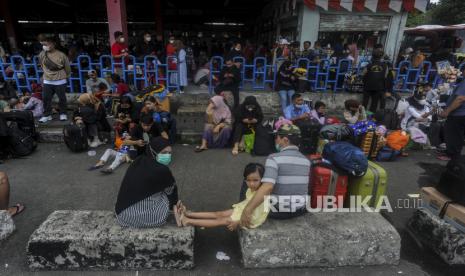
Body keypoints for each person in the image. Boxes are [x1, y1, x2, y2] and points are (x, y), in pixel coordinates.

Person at [240, 124, 310, 226]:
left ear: (285, 140)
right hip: (300, 209)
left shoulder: (274, 158)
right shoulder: (306, 161)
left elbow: (268, 187)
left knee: (250, 179)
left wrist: (248, 209)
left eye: (276, 137)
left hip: (278, 210)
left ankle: (242, 208)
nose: (275, 140)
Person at [174, 163, 268, 230]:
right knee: (218, 214)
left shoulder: (263, 195)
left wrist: (238, 222)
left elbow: (257, 216)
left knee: (220, 220)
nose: (251, 183)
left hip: (249, 219)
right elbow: (248, 202)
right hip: (243, 210)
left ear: (263, 179)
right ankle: (188, 214)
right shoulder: (251, 189)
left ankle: (187, 221)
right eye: (248, 180)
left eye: (255, 180)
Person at [115, 137, 178, 228]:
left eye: (169, 153)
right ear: (153, 151)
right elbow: (172, 193)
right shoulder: (162, 170)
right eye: (164, 153)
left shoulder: (138, 161)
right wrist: (174, 205)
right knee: (165, 193)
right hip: (147, 218)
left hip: (122, 215)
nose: (167, 156)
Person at [37, 36, 71, 123]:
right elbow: (41, 65)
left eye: (47, 44)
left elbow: (67, 67)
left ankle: (63, 113)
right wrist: (46, 74)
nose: (45, 46)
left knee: (62, 98)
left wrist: (65, 76)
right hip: (47, 80)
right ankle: (47, 115)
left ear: (53, 44)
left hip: (60, 80)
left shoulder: (61, 55)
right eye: (43, 44)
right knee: (46, 98)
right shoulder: (41, 54)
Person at [438, 70, 465, 161]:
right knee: (457, 134)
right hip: (461, 114)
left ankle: (452, 155)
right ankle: (452, 153)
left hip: (459, 114)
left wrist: (447, 111)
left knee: (454, 134)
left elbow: (460, 99)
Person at [362, 49, 392, 113]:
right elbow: (385, 77)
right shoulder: (385, 66)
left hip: (367, 86)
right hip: (378, 87)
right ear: (381, 57)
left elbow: (363, 74)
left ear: (372, 56)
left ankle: (362, 116)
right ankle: (371, 117)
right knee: (374, 104)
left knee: (365, 102)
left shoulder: (368, 65)